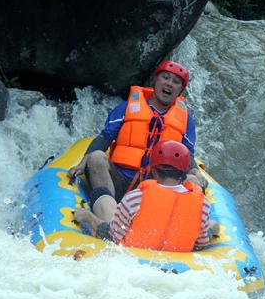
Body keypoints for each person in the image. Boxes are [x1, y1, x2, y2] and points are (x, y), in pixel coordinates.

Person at [67, 60, 207, 220]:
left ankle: (172, 228)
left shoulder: (185, 121)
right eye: (165, 77)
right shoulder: (127, 108)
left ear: (180, 90)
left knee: (192, 180)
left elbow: (187, 154)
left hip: (158, 187)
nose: (169, 84)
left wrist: (196, 172)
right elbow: (106, 136)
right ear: (155, 79)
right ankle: (109, 220)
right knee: (96, 157)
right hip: (119, 181)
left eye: (176, 82)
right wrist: (84, 161)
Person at [73, 140, 214, 252]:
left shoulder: (135, 198)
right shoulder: (204, 205)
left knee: (101, 197)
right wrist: (212, 228)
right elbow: (199, 244)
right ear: (185, 174)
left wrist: (88, 217)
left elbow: (111, 236)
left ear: (153, 171)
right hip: (178, 266)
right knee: (212, 225)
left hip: (134, 259)